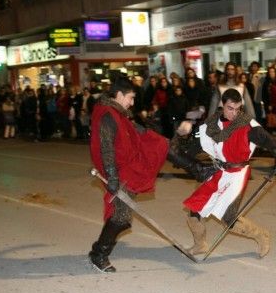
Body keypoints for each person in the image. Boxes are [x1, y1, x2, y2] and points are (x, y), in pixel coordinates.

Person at [88, 77, 215, 273]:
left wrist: (149, 134)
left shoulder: (116, 112)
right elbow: (106, 150)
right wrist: (112, 178)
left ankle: (200, 170)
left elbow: (131, 130)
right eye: (130, 98)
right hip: (121, 169)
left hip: (128, 161)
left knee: (161, 144)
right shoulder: (107, 116)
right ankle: (98, 254)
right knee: (121, 218)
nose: (132, 102)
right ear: (119, 95)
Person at [177, 88, 276, 258]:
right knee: (194, 211)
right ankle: (200, 245)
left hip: (237, 174)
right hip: (219, 171)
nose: (234, 113)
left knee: (229, 218)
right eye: (230, 108)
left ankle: (261, 235)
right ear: (222, 105)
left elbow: (270, 142)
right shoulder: (210, 125)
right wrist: (182, 139)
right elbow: (194, 147)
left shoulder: (248, 125)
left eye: (238, 109)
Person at [248, 61, 265, 125]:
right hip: (250, 98)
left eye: (255, 66)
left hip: (257, 98)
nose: (254, 68)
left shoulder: (260, 77)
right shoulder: (249, 76)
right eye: (253, 66)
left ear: (258, 68)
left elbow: (260, 88)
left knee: (258, 115)